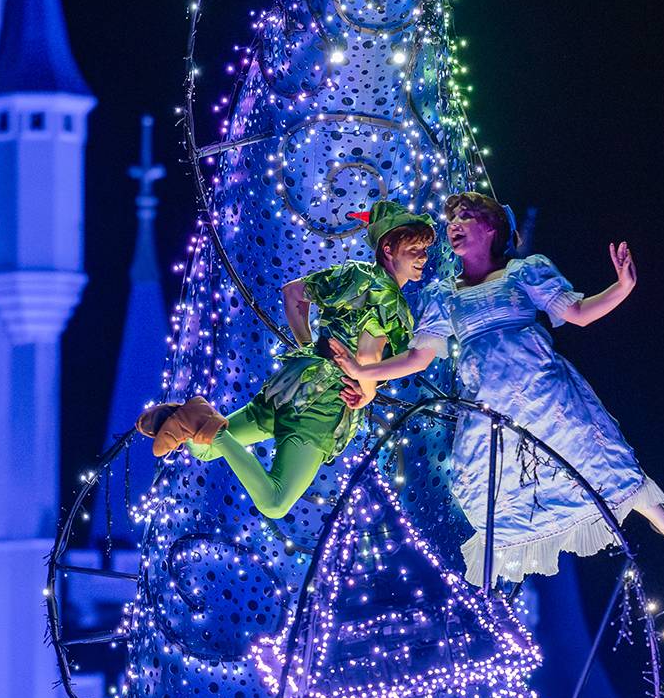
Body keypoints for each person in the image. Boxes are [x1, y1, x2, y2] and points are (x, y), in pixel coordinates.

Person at [422, 191, 664, 581]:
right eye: (451, 218)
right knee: (486, 489)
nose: (453, 224)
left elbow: (577, 313)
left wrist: (621, 288)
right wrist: (365, 373)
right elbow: (419, 356)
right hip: (488, 406)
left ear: (490, 228)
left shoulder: (523, 272)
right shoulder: (443, 294)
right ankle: (491, 595)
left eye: (464, 216)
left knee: (594, 458)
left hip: (544, 393)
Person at [137, 201, 445, 519]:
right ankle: (207, 425)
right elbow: (367, 355)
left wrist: (311, 350)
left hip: (292, 381)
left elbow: (292, 294)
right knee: (274, 502)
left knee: (205, 449)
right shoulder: (388, 298)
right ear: (389, 248)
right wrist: (365, 391)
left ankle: (193, 417)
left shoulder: (352, 273)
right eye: (414, 249)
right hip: (322, 403)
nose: (423, 257)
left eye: (424, 249)